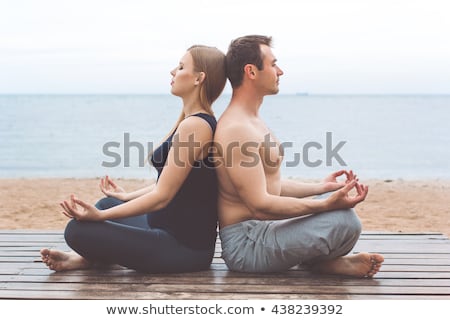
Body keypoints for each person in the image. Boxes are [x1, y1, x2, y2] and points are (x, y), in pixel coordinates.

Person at [40, 45, 227, 273]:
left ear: (199, 78)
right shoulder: (189, 121)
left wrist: (101, 216)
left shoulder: (196, 126)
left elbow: (162, 196)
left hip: (182, 249)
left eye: (180, 67)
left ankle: (88, 258)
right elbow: (168, 183)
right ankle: (88, 259)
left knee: (77, 230)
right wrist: (126, 196)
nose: (172, 72)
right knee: (109, 202)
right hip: (160, 227)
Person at [214, 35, 384, 277]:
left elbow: (270, 186)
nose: (280, 71)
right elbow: (260, 205)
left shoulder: (250, 120)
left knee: (335, 201)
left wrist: (321, 188)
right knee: (345, 222)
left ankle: (321, 263)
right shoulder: (236, 129)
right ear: (251, 71)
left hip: (265, 230)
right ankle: (321, 263)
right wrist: (324, 205)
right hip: (247, 246)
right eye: (273, 64)